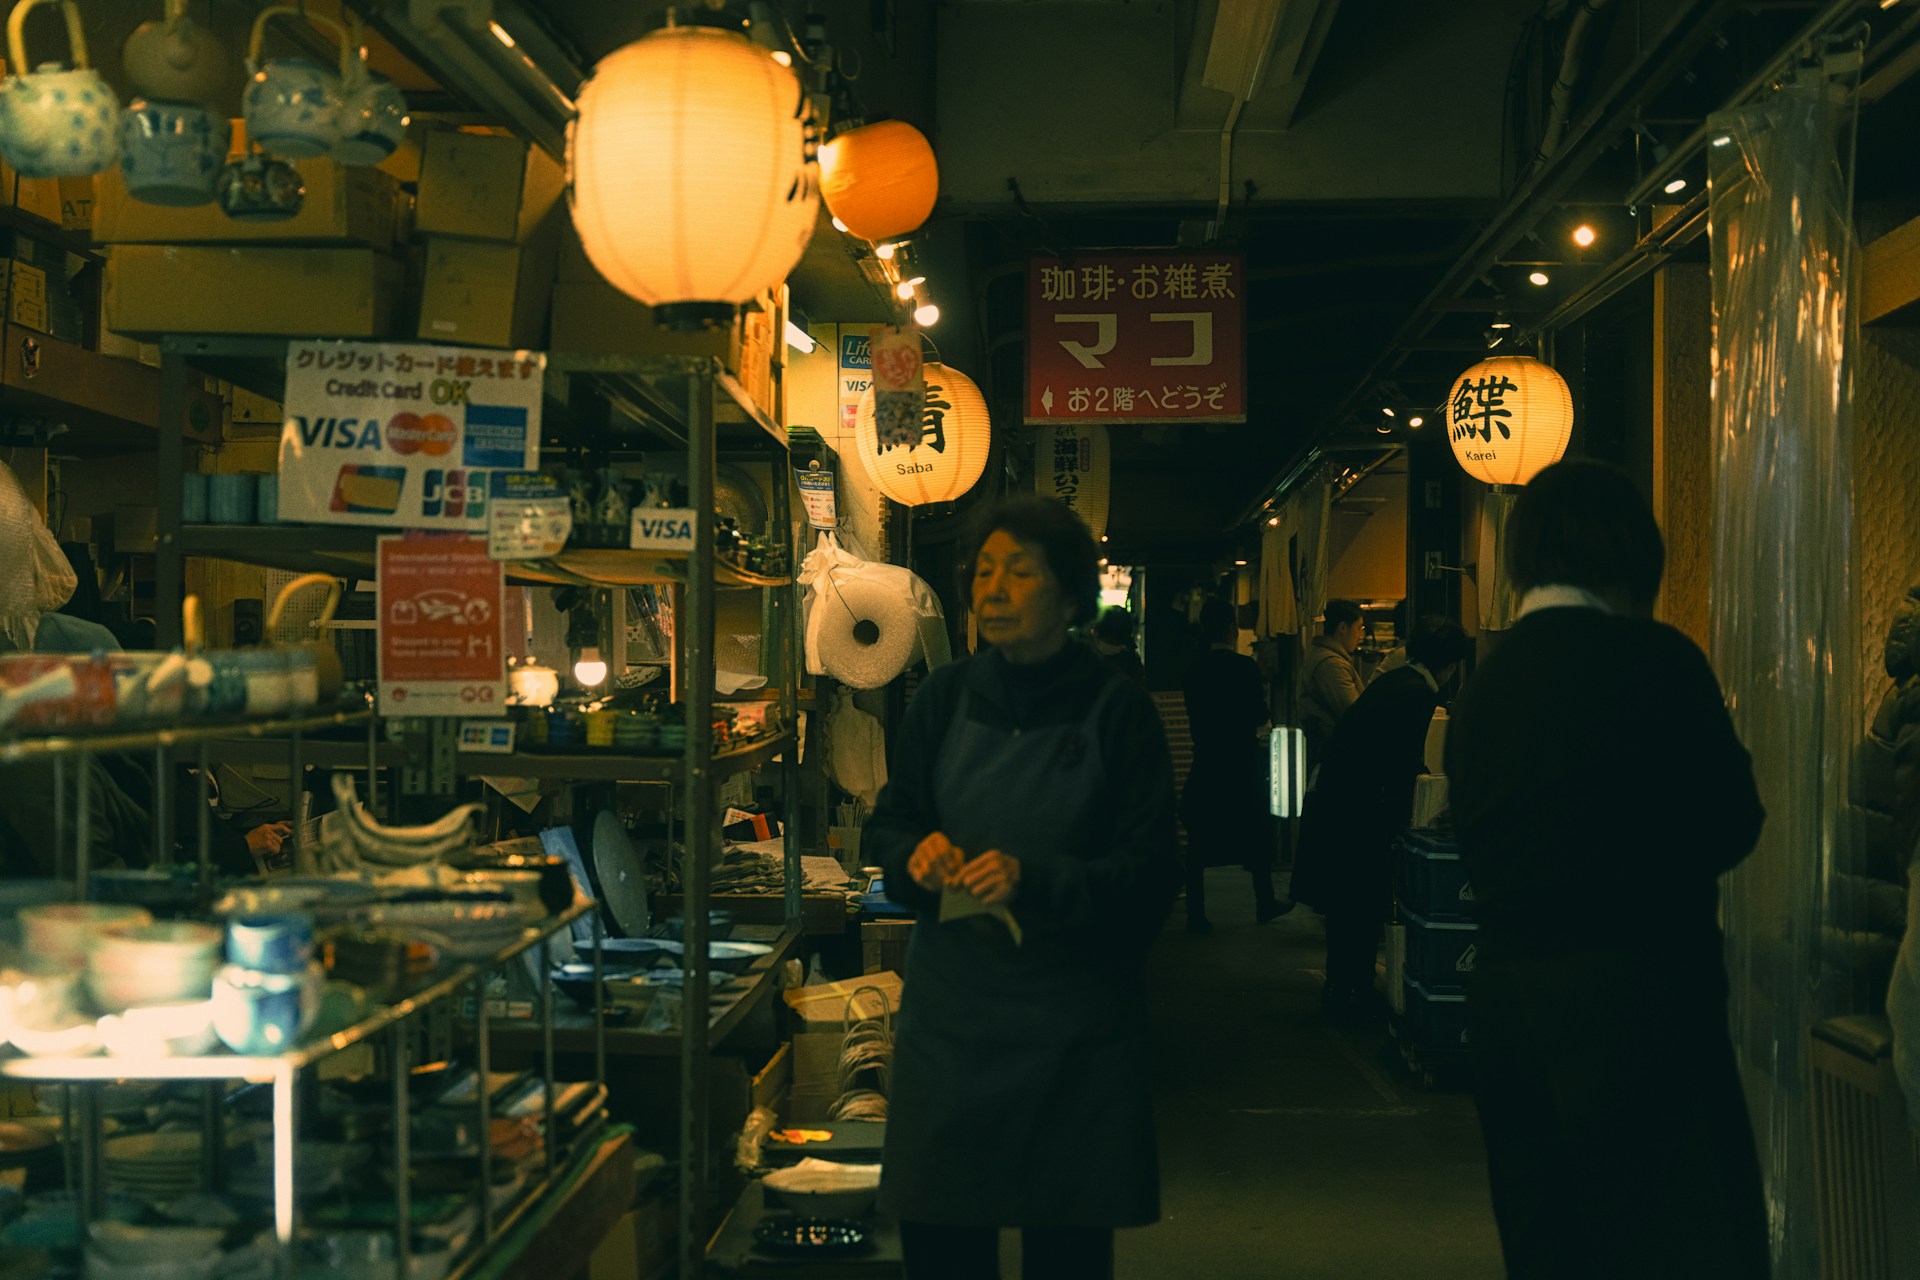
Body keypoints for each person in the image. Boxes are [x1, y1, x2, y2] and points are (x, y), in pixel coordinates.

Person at [1443, 460, 1768, 1279]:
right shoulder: (1658, 661)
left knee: (1548, 1237)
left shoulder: (1484, 689)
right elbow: (1734, 821)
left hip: (1510, 1001)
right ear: (1630, 556)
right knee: (1673, 1237)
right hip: (1644, 992)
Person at [868, 494, 1179, 1280]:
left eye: (1020, 572)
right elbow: (891, 825)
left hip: (1074, 1031)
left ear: (1071, 597)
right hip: (953, 1028)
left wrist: (1033, 879)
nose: (993, 588)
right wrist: (918, 859)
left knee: (1067, 1252)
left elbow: (1150, 878)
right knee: (942, 1247)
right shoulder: (941, 699)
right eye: (984, 571)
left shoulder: (1118, 711)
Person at [1292, 615, 1470, 1014]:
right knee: (1361, 903)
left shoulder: (1393, 681)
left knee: (1345, 907)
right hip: (1359, 813)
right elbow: (1401, 764)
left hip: (1339, 804)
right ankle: (1354, 991)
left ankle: (1341, 987)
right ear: (1451, 664)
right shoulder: (1418, 694)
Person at [1180, 596, 1286, 933]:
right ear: (1230, 630)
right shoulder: (1245, 668)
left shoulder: (1194, 670)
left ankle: (1196, 913)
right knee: (1256, 832)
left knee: (1199, 840)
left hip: (1208, 760)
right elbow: (1259, 714)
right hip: (1241, 761)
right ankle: (1265, 902)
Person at [1297, 598, 1366, 770]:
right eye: (1359, 628)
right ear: (1342, 628)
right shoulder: (1331, 665)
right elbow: (1353, 711)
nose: (1361, 635)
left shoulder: (1326, 657)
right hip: (1333, 752)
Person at [1089, 604, 1146, 686]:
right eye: (1111, 642)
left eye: (1119, 642)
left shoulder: (1131, 659)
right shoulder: (1084, 660)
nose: (1118, 646)